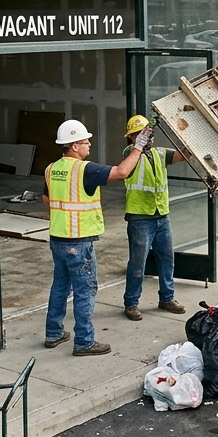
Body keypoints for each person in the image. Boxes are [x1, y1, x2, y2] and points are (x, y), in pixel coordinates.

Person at [42, 119, 148, 356]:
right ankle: (84, 341)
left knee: (60, 286)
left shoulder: (51, 169)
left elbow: (47, 201)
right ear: (74, 146)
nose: (89, 144)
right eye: (85, 141)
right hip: (79, 241)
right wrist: (138, 147)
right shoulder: (85, 169)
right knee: (85, 291)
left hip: (58, 239)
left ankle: (53, 333)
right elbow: (122, 172)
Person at [121, 114, 190, 321]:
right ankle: (131, 303)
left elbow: (183, 155)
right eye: (140, 134)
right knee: (138, 262)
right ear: (132, 137)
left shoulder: (160, 153)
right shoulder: (130, 153)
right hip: (140, 216)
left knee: (167, 259)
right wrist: (140, 141)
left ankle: (167, 298)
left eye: (148, 134)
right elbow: (131, 157)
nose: (147, 138)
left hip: (161, 215)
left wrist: (189, 137)